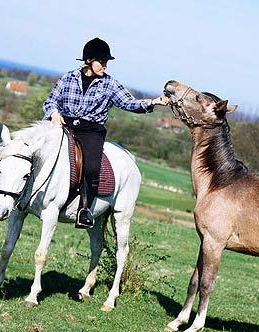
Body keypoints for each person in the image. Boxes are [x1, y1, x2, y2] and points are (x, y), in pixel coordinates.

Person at [43, 37, 168, 228]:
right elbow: (51, 101)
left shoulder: (110, 84)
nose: (105, 66)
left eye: (106, 63)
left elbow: (129, 103)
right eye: (101, 62)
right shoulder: (67, 77)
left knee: (92, 167)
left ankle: (84, 210)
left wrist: (153, 102)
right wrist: (53, 113)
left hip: (91, 131)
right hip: (64, 125)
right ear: (88, 60)